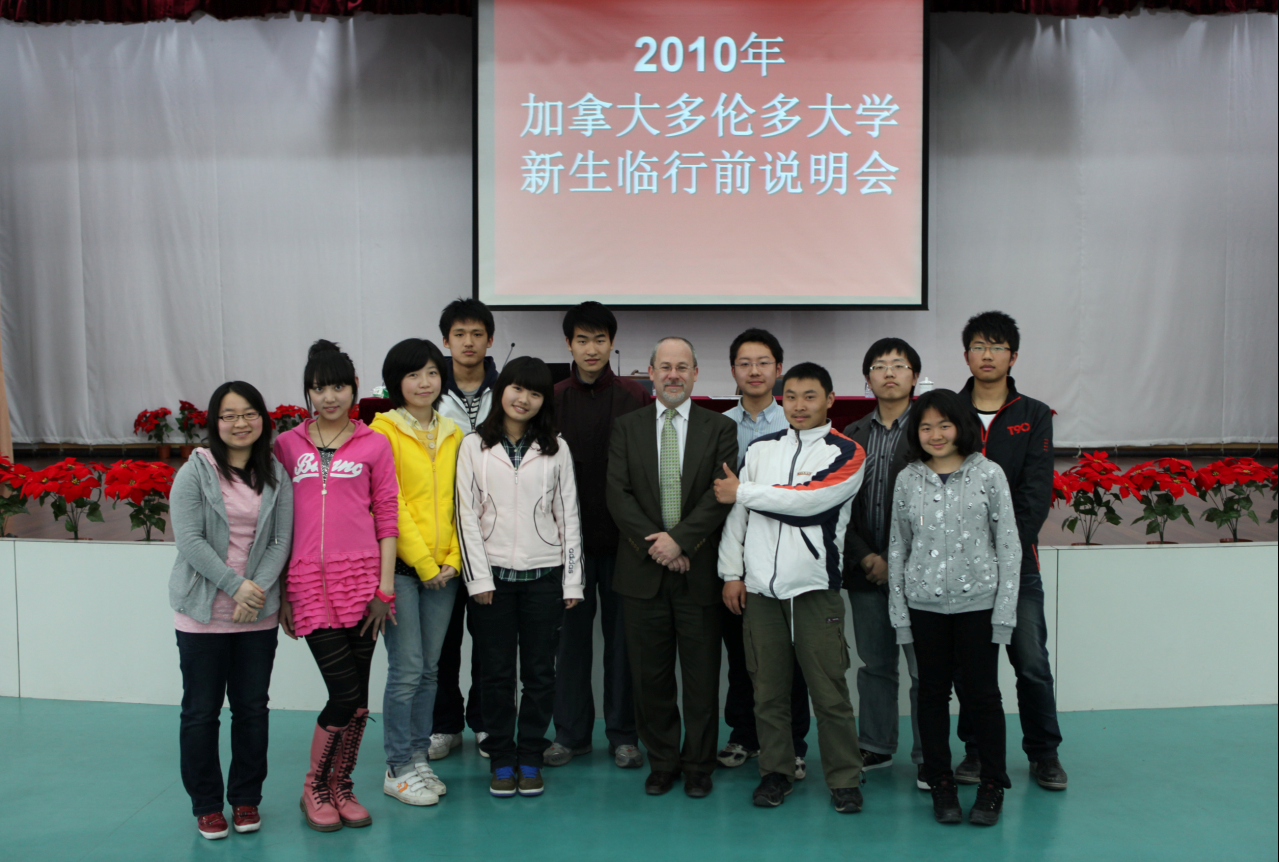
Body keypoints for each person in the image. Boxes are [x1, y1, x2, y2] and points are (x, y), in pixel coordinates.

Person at [717, 362, 868, 814]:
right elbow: (737, 519)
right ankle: (776, 773)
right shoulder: (761, 448)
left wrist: (744, 492)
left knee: (829, 693)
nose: (799, 406)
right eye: (792, 397)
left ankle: (844, 779)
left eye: (810, 396)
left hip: (814, 589)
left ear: (830, 399)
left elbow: (810, 503)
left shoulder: (847, 452)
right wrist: (731, 573)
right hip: (761, 592)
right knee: (767, 692)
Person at [274, 340, 399, 832]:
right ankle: (314, 787)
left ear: (354, 388)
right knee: (343, 693)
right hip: (308, 583)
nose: (329, 397)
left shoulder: (374, 444)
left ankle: (341, 786)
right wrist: (283, 591)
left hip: (363, 584)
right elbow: (276, 522)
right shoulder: (287, 446)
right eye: (319, 387)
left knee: (359, 698)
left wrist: (384, 589)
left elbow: (386, 516)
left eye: (338, 387)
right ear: (308, 391)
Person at [606, 337, 737, 799]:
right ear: (651, 373)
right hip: (641, 573)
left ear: (696, 374)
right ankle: (662, 761)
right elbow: (617, 495)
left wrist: (679, 540)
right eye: (665, 366)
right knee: (650, 678)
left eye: (683, 367)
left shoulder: (720, 427)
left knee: (701, 679)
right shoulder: (626, 427)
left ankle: (699, 764)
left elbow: (720, 494)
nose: (673, 375)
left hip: (697, 572)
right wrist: (659, 546)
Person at [887, 389, 1021, 826]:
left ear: (961, 426)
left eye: (944, 425)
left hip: (978, 605)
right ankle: (940, 783)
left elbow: (1008, 545)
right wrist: (900, 615)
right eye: (926, 427)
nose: (936, 434)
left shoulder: (989, 473)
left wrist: (1004, 613)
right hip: (924, 605)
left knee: (983, 696)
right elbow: (897, 548)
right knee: (931, 695)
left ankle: (992, 785)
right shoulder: (908, 479)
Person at [455, 357, 584, 798]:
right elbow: (466, 516)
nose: (523, 399)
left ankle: (530, 756)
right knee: (494, 676)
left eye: (535, 392)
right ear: (501, 390)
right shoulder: (473, 445)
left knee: (539, 675)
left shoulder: (556, 448)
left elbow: (569, 516)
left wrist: (572, 581)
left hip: (544, 577)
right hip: (492, 582)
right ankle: (501, 758)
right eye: (516, 388)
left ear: (544, 400)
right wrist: (478, 580)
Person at [170, 381, 293, 840]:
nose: (240, 423)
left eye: (249, 414)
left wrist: (253, 594)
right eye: (229, 415)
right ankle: (206, 804)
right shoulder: (195, 472)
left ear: (262, 418)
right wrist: (236, 587)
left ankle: (245, 798)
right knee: (201, 712)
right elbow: (190, 540)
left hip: (256, 616)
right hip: (202, 616)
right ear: (215, 422)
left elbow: (281, 540)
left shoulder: (276, 473)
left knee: (252, 710)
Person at [955, 311, 1066, 791]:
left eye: (997, 347)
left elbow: (1035, 492)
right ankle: (976, 752)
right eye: (979, 346)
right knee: (972, 668)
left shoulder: (1033, 414)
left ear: (1013, 356)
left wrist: (1004, 551)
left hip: (1019, 564)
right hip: (960, 566)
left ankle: (1044, 754)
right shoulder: (948, 411)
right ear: (966, 355)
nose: (988, 355)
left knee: (1032, 664)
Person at [545, 302, 649, 769]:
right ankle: (570, 734)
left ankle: (624, 734)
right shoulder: (552, 398)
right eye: (582, 340)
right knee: (569, 643)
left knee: (623, 642)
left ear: (612, 343)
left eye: (600, 339)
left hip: (625, 543)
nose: (592, 349)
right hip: (567, 546)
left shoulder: (634, 397)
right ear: (569, 344)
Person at [370, 338, 465, 807]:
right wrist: (427, 565)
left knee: (430, 670)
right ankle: (397, 766)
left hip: (445, 571)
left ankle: (418, 756)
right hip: (403, 570)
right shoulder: (381, 433)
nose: (424, 382)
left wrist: (453, 559)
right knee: (406, 669)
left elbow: (462, 500)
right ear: (396, 383)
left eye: (431, 372)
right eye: (413, 375)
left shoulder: (453, 432)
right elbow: (391, 504)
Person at [717, 328, 813, 779]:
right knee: (741, 653)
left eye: (763, 362)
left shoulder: (796, 423)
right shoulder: (717, 425)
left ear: (779, 368)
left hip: (785, 555)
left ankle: (794, 742)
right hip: (733, 555)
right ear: (732, 371)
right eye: (744, 363)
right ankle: (744, 734)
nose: (754, 371)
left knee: (790, 657)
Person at [841, 338, 925, 788]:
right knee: (874, 663)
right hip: (865, 569)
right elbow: (841, 506)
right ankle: (875, 743)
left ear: (915, 376)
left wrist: (898, 561)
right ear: (867, 379)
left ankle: (928, 753)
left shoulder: (930, 430)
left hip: (918, 572)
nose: (889, 373)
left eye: (899, 365)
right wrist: (867, 557)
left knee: (924, 669)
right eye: (879, 366)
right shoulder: (851, 434)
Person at [431, 297, 498, 760]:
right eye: (460, 334)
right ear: (446, 340)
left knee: (490, 638)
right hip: (440, 536)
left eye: (477, 334)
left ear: (490, 339)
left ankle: (486, 722)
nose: (468, 342)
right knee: (443, 638)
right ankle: (444, 725)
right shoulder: (429, 391)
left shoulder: (508, 388)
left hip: (493, 535)